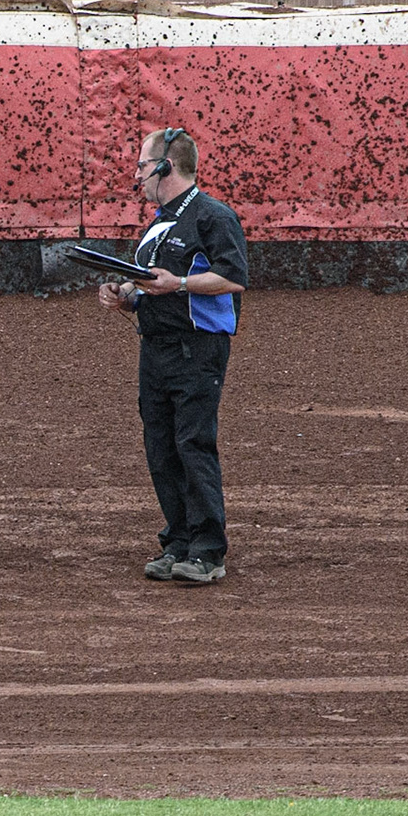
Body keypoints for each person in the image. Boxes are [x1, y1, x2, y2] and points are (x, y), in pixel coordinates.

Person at [98, 127, 247, 584]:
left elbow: (234, 277)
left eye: (142, 165)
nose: (137, 174)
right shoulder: (160, 222)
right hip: (156, 347)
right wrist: (128, 294)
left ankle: (208, 550)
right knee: (161, 448)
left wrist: (178, 284)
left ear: (165, 166)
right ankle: (179, 541)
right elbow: (152, 283)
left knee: (192, 444)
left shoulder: (212, 216)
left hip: (197, 348)